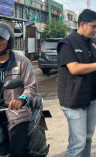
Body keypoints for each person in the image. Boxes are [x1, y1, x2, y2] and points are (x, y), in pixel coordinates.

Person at [57, 9, 96, 157]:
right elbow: (74, 68)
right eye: (93, 26)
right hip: (75, 100)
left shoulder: (92, 44)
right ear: (82, 24)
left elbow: (93, 65)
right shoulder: (67, 43)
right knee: (78, 143)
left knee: (87, 138)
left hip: (92, 98)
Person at [0, 22, 37, 156]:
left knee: (18, 152)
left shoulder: (23, 62)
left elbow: (31, 87)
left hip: (16, 114)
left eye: (1, 39)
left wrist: (21, 100)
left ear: (9, 41)